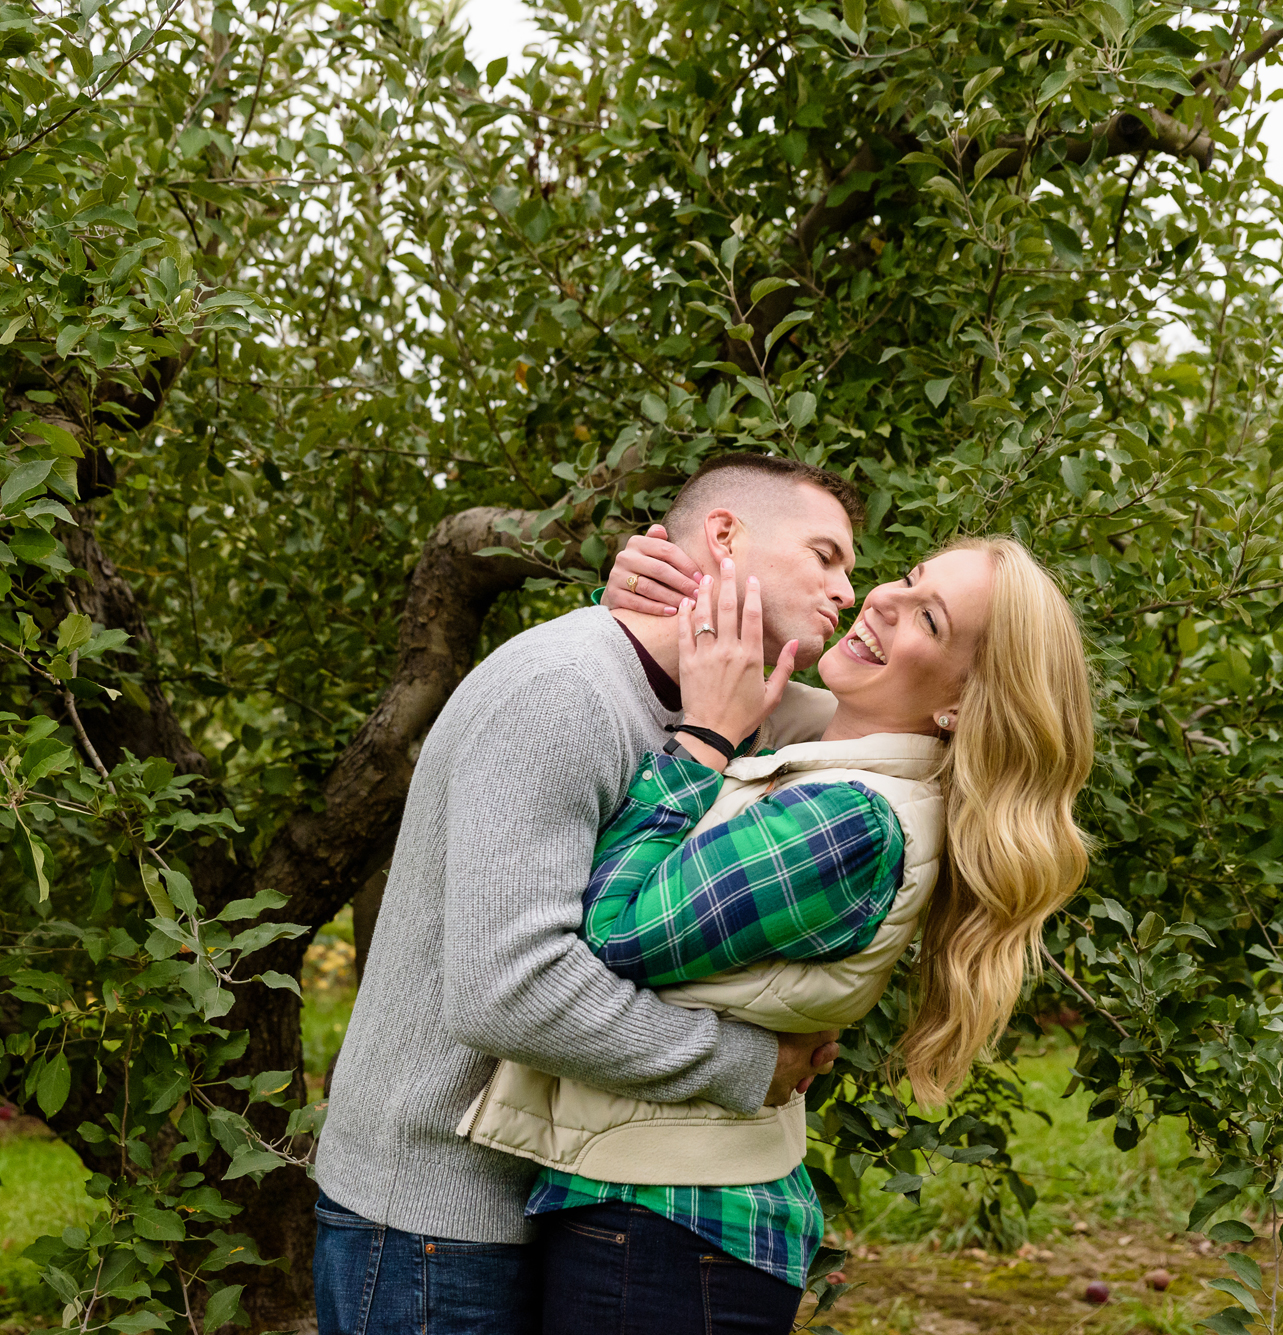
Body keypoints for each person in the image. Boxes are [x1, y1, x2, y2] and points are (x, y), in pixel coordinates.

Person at [458, 534, 1095, 1334]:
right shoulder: (832, 762)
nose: (883, 599)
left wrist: (702, 741)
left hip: (671, 1223)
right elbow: (710, 682)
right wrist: (646, 603)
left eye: (927, 620)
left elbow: (612, 932)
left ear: (962, 705)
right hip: (649, 1210)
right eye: (907, 577)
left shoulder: (848, 823)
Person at [312, 455, 867, 1335]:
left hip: (555, 1193)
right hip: (435, 1215)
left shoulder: (724, 707)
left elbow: (882, 726)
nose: (848, 588)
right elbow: (511, 991)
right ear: (725, 535)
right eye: (827, 555)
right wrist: (747, 1062)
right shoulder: (564, 691)